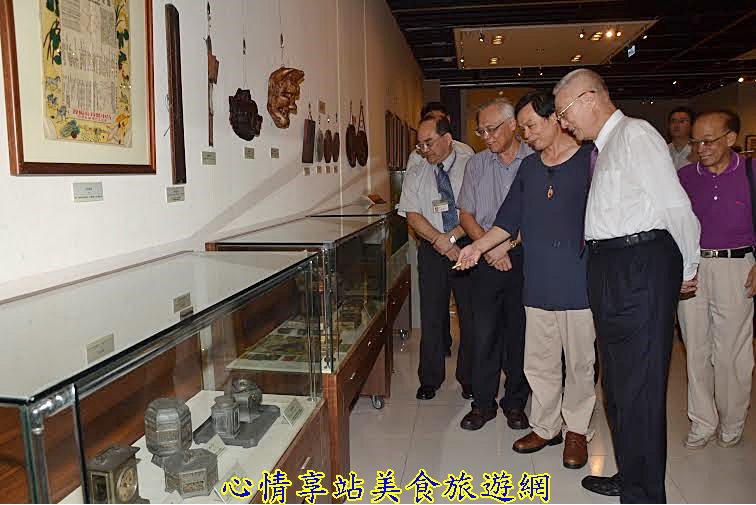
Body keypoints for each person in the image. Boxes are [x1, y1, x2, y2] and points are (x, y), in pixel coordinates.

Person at [552, 68, 700, 503]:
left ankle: (645, 493)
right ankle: (630, 474)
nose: (563, 122)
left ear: (589, 98)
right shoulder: (605, 145)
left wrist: (688, 268)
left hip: (639, 265)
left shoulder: (636, 135)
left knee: (641, 388)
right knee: (617, 387)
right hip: (610, 266)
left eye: (563, 112)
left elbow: (675, 207)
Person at [456, 91, 596, 469]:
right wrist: (476, 248)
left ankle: (577, 430)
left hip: (579, 281)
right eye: (522, 128)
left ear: (555, 119)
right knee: (539, 361)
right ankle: (546, 425)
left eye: (531, 126)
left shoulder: (589, 160)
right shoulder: (530, 168)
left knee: (580, 363)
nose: (527, 134)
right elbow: (507, 219)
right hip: (538, 281)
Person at [677, 110, 755, 449]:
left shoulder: (751, 172)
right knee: (695, 348)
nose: (701, 149)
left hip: (737, 266)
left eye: (708, 141)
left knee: (732, 353)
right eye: (696, 142)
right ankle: (702, 421)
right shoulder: (684, 177)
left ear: (731, 138)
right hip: (693, 267)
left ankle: (732, 420)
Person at [455, 97, 532, 430]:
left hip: (524, 257)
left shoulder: (536, 161)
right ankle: (483, 404)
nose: (486, 137)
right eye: (481, 131)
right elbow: (466, 214)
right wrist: (489, 249)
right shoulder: (476, 165)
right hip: (484, 257)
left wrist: (507, 245)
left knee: (519, 333)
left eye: (491, 129)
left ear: (513, 124)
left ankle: (515, 402)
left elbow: (538, 217)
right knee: (482, 334)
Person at [398, 115, 475, 401]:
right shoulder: (417, 172)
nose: (424, 150)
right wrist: (439, 241)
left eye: (428, 143)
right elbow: (412, 215)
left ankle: (469, 378)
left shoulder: (471, 166)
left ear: (447, 139)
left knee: (470, 315)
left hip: (467, 245)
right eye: (420, 145)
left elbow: (476, 210)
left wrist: (451, 239)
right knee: (431, 315)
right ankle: (429, 378)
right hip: (432, 247)